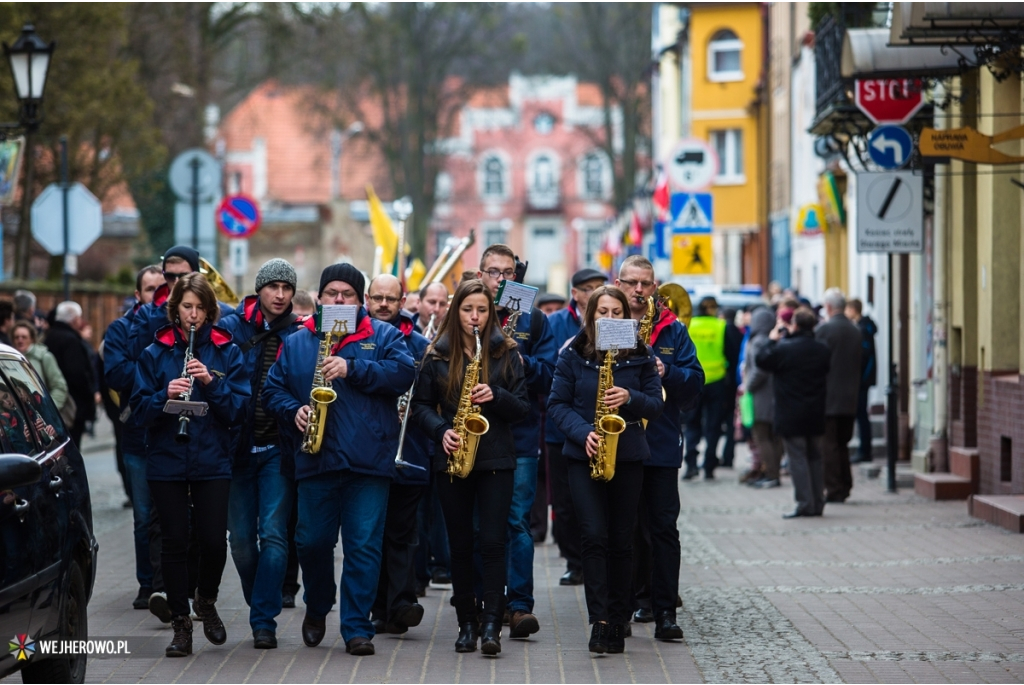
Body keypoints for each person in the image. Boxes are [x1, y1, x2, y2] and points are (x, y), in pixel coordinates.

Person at [263, 263, 415, 657]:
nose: (339, 300)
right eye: (332, 293)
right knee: (310, 543)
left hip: (368, 463)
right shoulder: (298, 342)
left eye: (347, 294)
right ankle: (318, 604)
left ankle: (356, 627)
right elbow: (272, 389)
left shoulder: (383, 335)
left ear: (360, 300)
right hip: (316, 460)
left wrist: (354, 367)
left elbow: (403, 374)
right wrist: (292, 410)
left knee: (363, 546)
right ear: (319, 298)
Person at [129, 273, 251, 656]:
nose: (193, 315)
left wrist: (211, 385)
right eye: (186, 307)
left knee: (214, 541)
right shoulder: (155, 352)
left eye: (200, 308)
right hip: (166, 458)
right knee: (175, 541)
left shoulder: (226, 351)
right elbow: (138, 411)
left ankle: (207, 600)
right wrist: (164, 396)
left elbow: (237, 410)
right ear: (176, 309)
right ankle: (181, 625)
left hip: (212, 458)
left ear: (209, 310)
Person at [410, 278, 530, 655]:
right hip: (452, 457)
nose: (475, 317)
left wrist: (497, 395)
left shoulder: (507, 352)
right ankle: (467, 621)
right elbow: (421, 408)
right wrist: (441, 431)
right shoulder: (436, 355)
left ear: (491, 312)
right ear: (454, 311)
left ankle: (493, 623)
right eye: (467, 310)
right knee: (460, 544)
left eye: (482, 310)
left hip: (495, 458)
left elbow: (524, 409)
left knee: (494, 543)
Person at [548, 285, 663, 654]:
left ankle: (618, 617)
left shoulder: (641, 354)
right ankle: (598, 620)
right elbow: (557, 404)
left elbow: (655, 406)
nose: (610, 318)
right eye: (603, 312)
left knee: (621, 538)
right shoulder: (573, 354)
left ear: (626, 317)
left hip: (627, 454)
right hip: (584, 455)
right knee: (593, 536)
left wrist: (630, 397)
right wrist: (584, 433)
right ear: (591, 315)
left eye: (617, 312)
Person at [615, 257, 703, 640]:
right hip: (620, 442)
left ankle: (666, 610)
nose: (638, 290)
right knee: (624, 530)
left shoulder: (673, 330)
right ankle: (629, 604)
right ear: (618, 284)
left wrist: (670, 372)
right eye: (631, 283)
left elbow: (696, 382)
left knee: (664, 529)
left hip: (662, 444)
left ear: (655, 287)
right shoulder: (607, 324)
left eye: (645, 284)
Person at [219, 259, 305, 650]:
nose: (281, 295)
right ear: (259, 289)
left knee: (273, 535)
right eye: (273, 287)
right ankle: (260, 601)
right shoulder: (231, 328)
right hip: (236, 450)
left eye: (287, 288)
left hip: (278, 449)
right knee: (240, 541)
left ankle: (263, 620)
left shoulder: (301, 335)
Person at [477, 244, 555, 640]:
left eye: (508, 272)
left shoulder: (534, 319)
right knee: (478, 521)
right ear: (480, 275)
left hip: (520, 435)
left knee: (517, 522)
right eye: (493, 272)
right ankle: (481, 601)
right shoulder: (469, 313)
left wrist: (520, 360)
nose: (501, 280)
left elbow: (550, 375)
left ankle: (519, 605)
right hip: (475, 431)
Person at [365, 275, 431, 636]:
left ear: (404, 300)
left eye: (392, 298)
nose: (385, 304)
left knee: (403, 531)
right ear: (367, 298)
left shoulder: (420, 346)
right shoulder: (356, 341)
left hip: (411, 449)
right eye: (378, 298)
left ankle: (402, 604)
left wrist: (415, 409)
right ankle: (380, 606)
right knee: (373, 531)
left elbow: (432, 395)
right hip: (369, 450)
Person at [103, 264, 165, 611]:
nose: (156, 295)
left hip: (169, 436)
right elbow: (115, 373)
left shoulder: (175, 328)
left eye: (162, 289)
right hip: (137, 435)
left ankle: (169, 583)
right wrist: (152, 366)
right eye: (149, 289)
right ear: (138, 294)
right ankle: (146, 584)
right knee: (143, 515)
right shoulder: (122, 329)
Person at [545, 267, 606, 586]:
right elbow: (548, 367)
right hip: (563, 430)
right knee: (565, 501)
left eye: (600, 286)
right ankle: (574, 561)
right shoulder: (555, 324)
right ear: (576, 294)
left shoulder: (613, 322)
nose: (595, 292)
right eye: (589, 288)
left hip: (606, 428)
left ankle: (599, 560)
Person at [755, 307, 831, 518]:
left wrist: (772, 339)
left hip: (791, 412)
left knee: (797, 458)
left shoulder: (784, 349)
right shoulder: (822, 349)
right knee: (815, 457)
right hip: (815, 410)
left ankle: (805, 503)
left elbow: (762, 360)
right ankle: (818, 502)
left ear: (795, 325)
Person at [815, 288, 862, 503]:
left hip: (829, 399)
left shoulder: (824, 331)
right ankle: (845, 484)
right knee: (843, 443)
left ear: (828, 307)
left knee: (830, 446)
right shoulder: (855, 330)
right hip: (850, 397)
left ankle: (834, 488)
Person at [682, 296, 728, 480]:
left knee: (692, 424)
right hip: (716, 381)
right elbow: (730, 353)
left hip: (693, 382)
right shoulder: (721, 326)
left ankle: (691, 464)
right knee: (713, 426)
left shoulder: (689, 325)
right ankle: (709, 466)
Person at [44, 301, 98, 447]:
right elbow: (77, 373)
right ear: (75, 320)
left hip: (55, 400)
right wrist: (90, 392)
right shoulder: (71, 340)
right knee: (72, 447)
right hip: (72, 406)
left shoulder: (49, 336)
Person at [743, 308, 784, 488]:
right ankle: (772, 473)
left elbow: (759, 369)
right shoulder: (772, 340)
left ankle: (771, 474)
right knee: (772, 436)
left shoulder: (759, 342)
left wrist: (748, 385)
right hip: (772, 394)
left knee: (762, 436)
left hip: (761, 395)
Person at [12, 321, 69, 415]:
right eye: (16, 337)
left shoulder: (44, 357)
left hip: (41, 415)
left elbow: (59, 386)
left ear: (32, 339)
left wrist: (48, 409)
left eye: (24, 337)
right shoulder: (9, 359)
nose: (20, 340)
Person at [846, 298, 877, 463]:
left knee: (861, 415)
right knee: (861, 414)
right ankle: (864, 450)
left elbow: (864, 357)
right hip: (861, 379)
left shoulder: (863, 329)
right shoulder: (862, 327)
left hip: (861, 380)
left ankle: (865, 450)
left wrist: (860, 379)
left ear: (853, 309)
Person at [719, 307, 744, 469]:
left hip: (722, 382)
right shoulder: (739, 332)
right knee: (731, 421)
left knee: (714, 424)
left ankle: (715, 458)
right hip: (734, 383)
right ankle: (729, 456)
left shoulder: (722, 331)